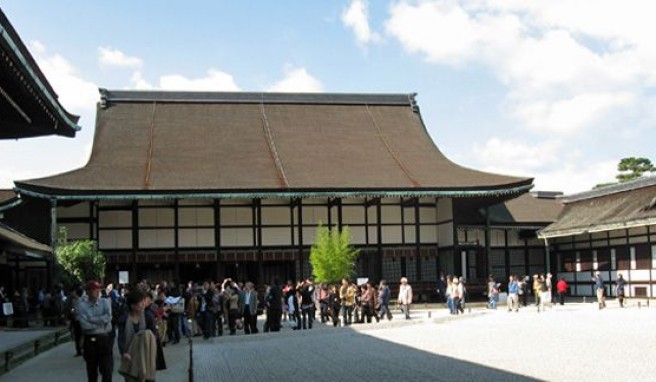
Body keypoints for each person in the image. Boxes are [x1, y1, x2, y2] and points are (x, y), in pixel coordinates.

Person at [117, 290, 158, 382]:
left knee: (147, 378)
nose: (143, 304)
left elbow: (154, 335)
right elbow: (121, 338)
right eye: (140, 302)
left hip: (146, 353)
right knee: (132, 378)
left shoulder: (148, 317)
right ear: (132, 305)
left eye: (144, 301)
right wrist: (124, 352)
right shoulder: (124, 319)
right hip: (130, 354)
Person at [77, 280, 113, 382]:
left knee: (107, 369)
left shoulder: (105, 302)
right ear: (87, 291)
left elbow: (108, 318)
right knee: (92, 370)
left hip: (104, 338)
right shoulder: (82, 305)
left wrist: (92, 319)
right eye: (94, 290)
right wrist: (101, 323)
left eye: (98, 289)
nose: (97, 291)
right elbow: (84, 325)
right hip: (90, 340)